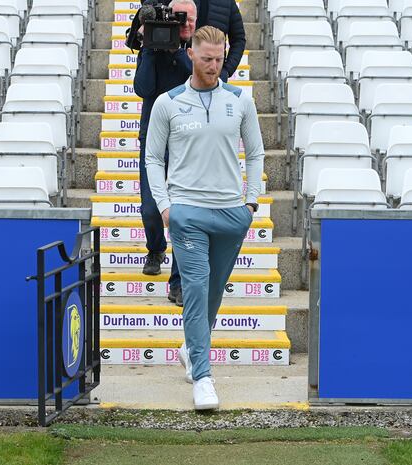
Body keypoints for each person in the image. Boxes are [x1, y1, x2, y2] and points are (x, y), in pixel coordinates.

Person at [145, 26, 264, 410]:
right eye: (208, 59)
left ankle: (189, 348)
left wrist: (251, 203)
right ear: (191, 55)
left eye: (220, 58)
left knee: (212, 294)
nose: (215, 66)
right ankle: (203, 376)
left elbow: (257, 153)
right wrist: (166, 207)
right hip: (188, 213)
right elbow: (152, 159)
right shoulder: (168, 102)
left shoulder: (240, 100)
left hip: (232, 213)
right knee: (195, 290)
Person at [133, 0, 197, 307]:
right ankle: (155, 248)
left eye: (186, 20)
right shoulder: (151, 48)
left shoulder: (200, 48)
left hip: (187, 141)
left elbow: (197, 82)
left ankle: (178, 283)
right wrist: (148, 47)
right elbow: (143, 88)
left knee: (183, 216)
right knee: (150, 209)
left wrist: (176, 51)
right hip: (154, 140)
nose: (181, 26)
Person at [194, 0, 246, 83]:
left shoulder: (228, 2)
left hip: (215, 75)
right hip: (182, 72)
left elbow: (238, 39)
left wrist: (227, 70)